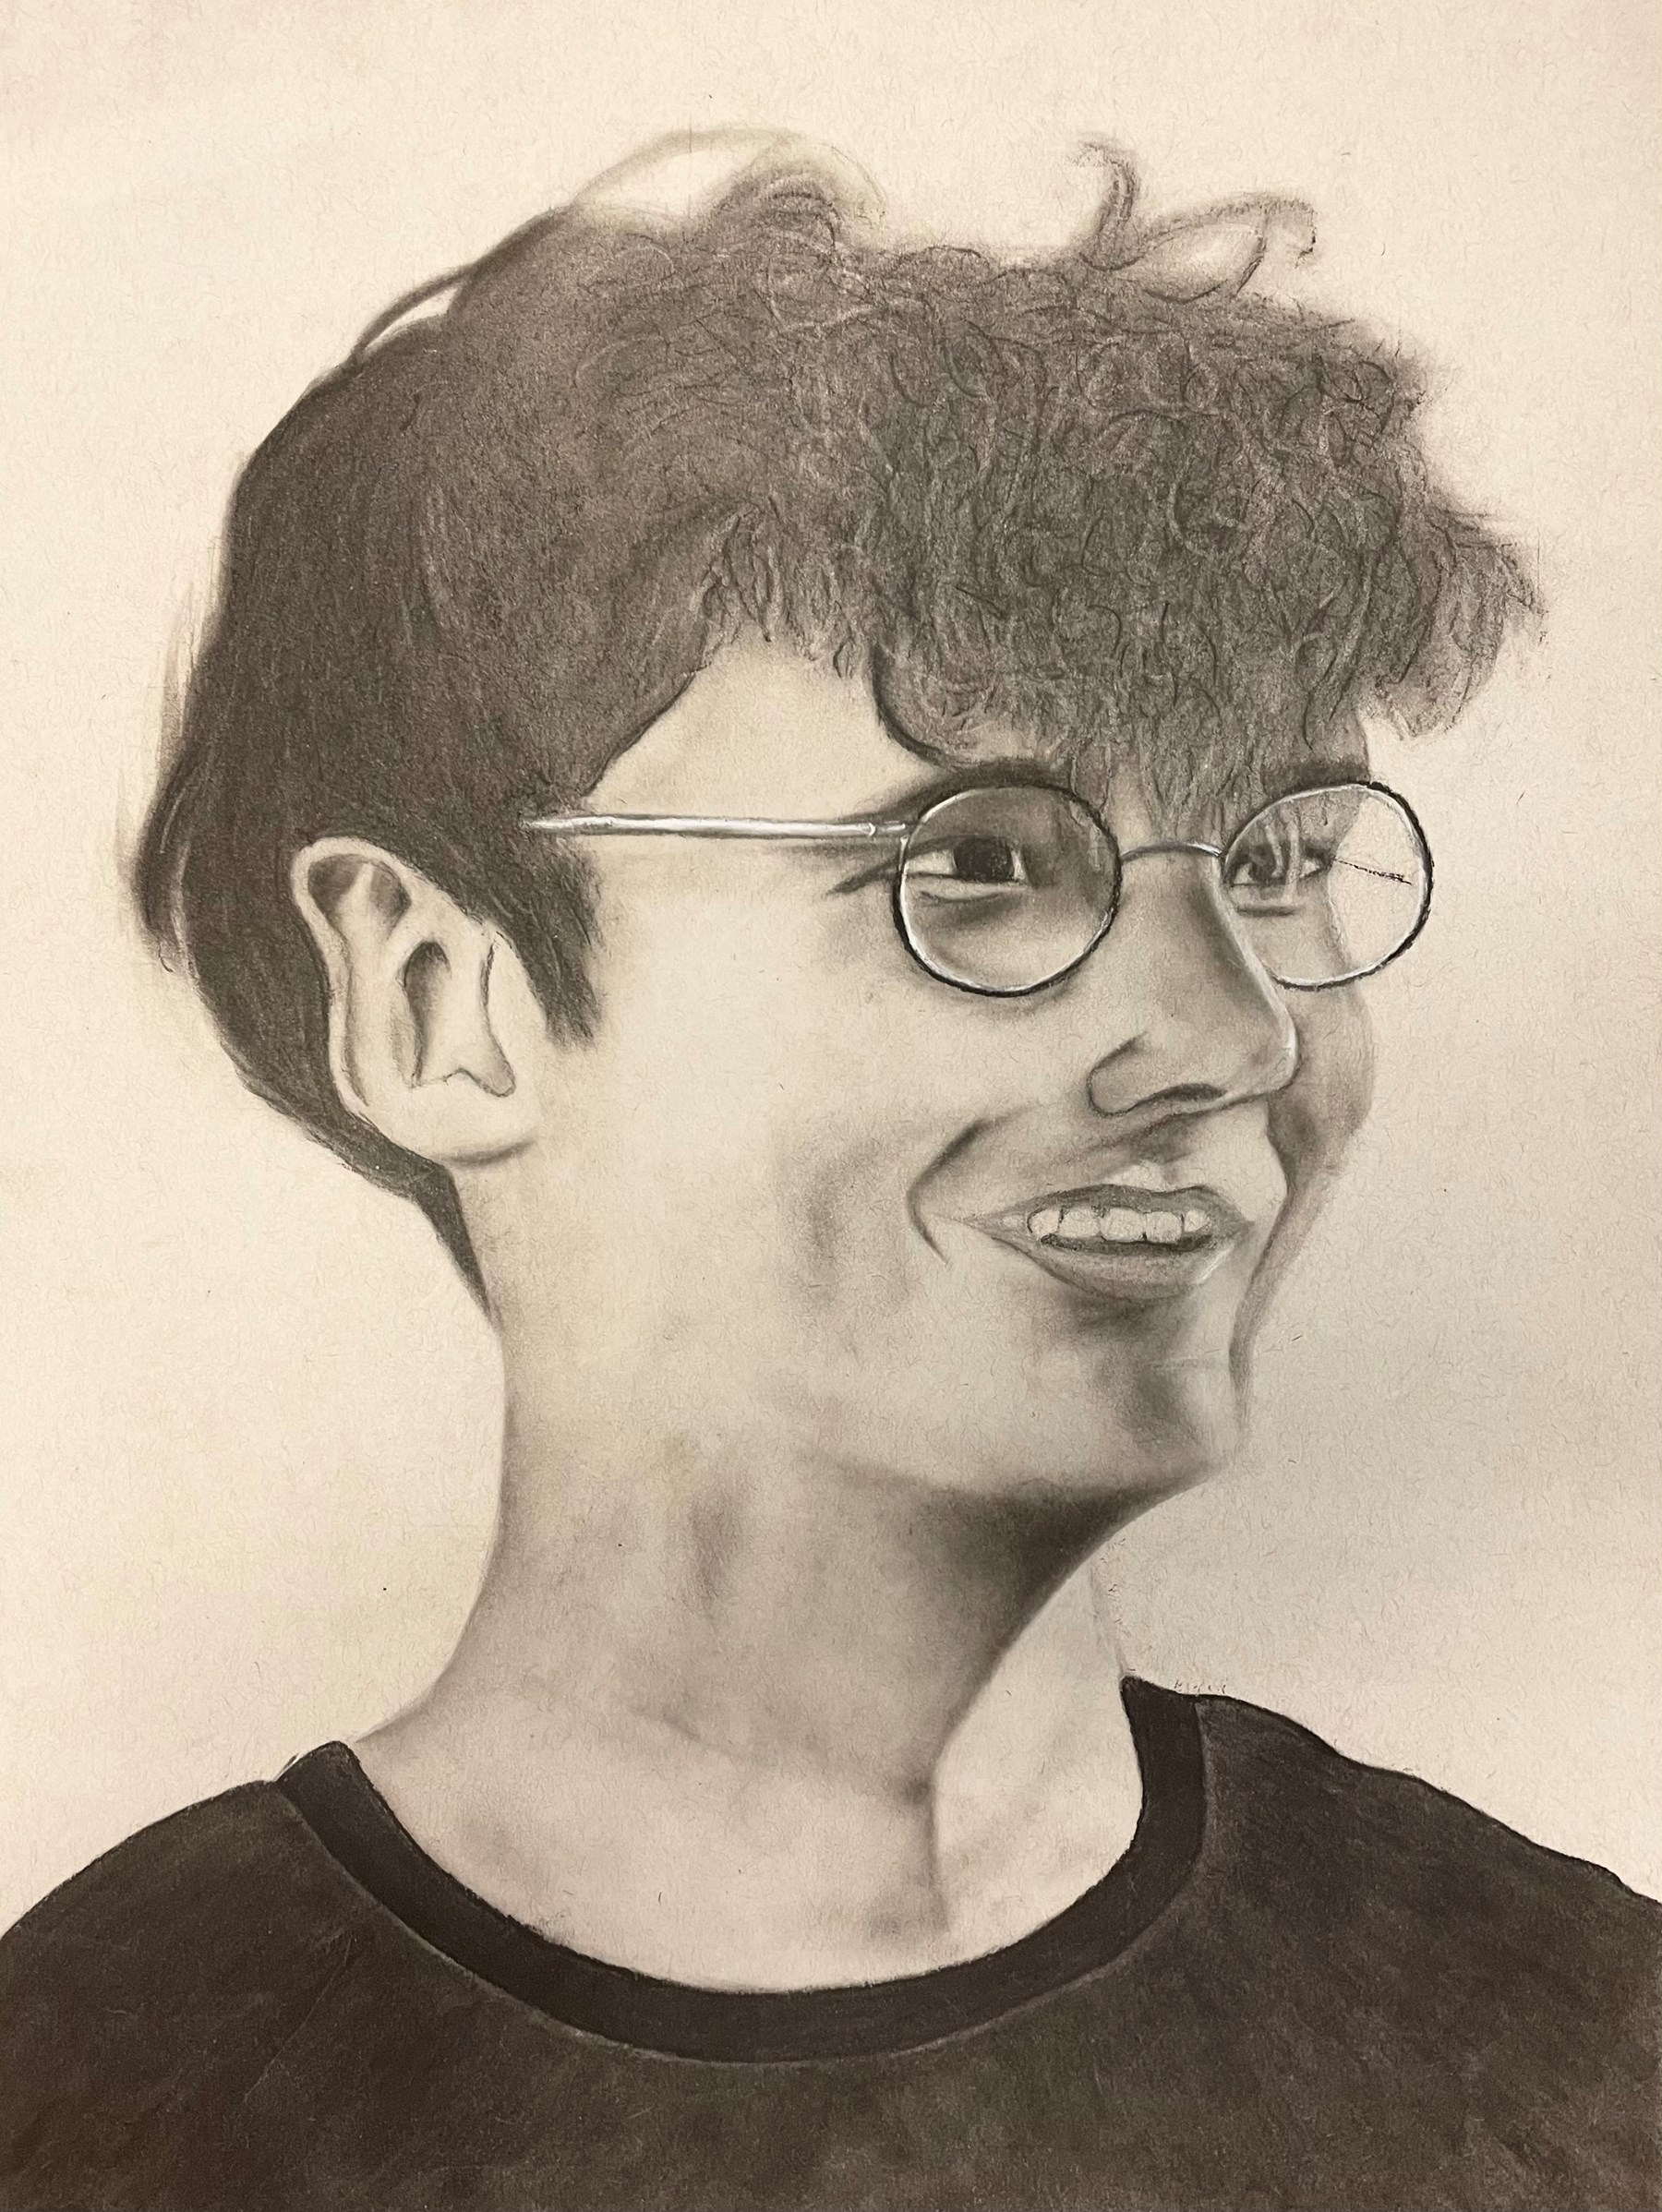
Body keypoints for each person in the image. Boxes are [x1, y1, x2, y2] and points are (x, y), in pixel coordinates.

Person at [1, 131, 1656, 2212]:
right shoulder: (103, 2099)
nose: (1231, 1037)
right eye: (977, 863)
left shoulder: (1572, 2036)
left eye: (1277, 861)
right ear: (437, 1000)